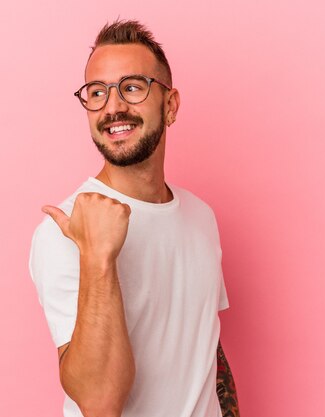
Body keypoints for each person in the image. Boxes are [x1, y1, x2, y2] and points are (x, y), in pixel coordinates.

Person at [29, 19, 239, 417]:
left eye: (132, 87)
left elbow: (207, 352)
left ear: (170, 105)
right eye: (97, 92)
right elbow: (99, 402)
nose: (113, 107)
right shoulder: (65, 231)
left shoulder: (200, 217)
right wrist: (98, 257)